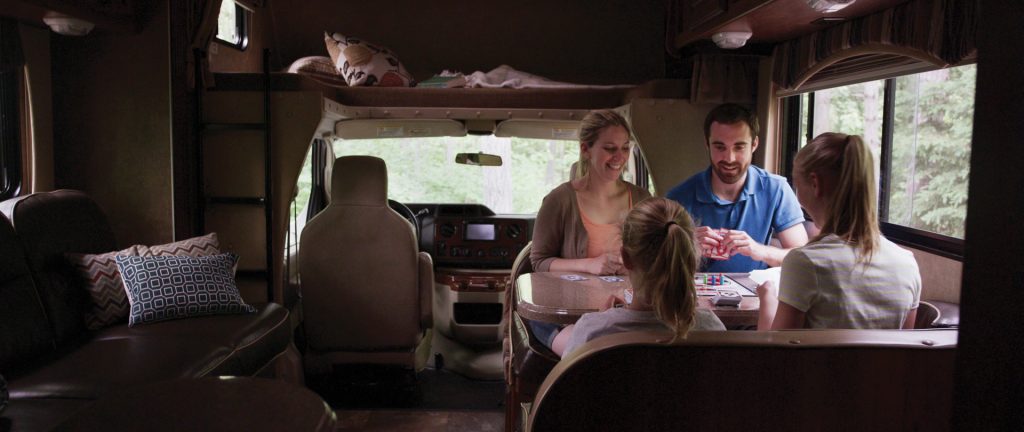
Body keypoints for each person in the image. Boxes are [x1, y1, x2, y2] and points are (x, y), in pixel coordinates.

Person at [757, 133, 920, 330]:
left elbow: (774, 355)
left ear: (815, 183)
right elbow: (905, 350)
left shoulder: (805, 262)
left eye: (795, 181)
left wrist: (767, 299)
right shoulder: (907, 263)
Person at [528, 109, 651, 349]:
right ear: (586, 149)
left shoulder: (642, 199)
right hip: (571, 315)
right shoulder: (559, 200)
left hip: (629, 311)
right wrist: (590, 264)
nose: (620, 157)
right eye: (610, 148)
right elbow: (539, 262)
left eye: (625, 148)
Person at [554, 198, 726, 358]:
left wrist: (608, 319)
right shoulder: (712, 329)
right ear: (691, 258)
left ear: (626, 258)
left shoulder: (592, 332)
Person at [666, 103, 807, 273]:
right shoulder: (678, 197)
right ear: (707, 144)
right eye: (720, 147)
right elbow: (658, 263)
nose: (729, 158)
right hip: (694, 295)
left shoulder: (776, 189)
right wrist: (686, 247)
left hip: (756, 296)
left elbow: (802, 258)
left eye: (739, 147)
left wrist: (758, 250)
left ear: (754, 144)